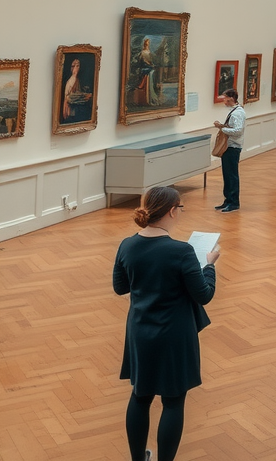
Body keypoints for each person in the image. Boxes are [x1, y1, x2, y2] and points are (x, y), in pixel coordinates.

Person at [113, 186, 219, 461]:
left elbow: (120, 286)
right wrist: (209, 266)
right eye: (180, 208)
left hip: (140, 331)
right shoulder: (181, 251)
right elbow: (204, 295)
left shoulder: (127, 245)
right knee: (173, 401)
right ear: (172, 211)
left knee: (140, 396)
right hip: (174, 335)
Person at [212, 89, 244, 213]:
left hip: (232, 147)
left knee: (231, 175)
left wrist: (222, 129)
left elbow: (238, 131)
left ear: (231, 98)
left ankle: (233, 202)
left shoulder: (238, 113)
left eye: (225, 98)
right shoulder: (235, 111)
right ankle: (228, 200)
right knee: (227, 174)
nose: (224, 101)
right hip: (229, 147)